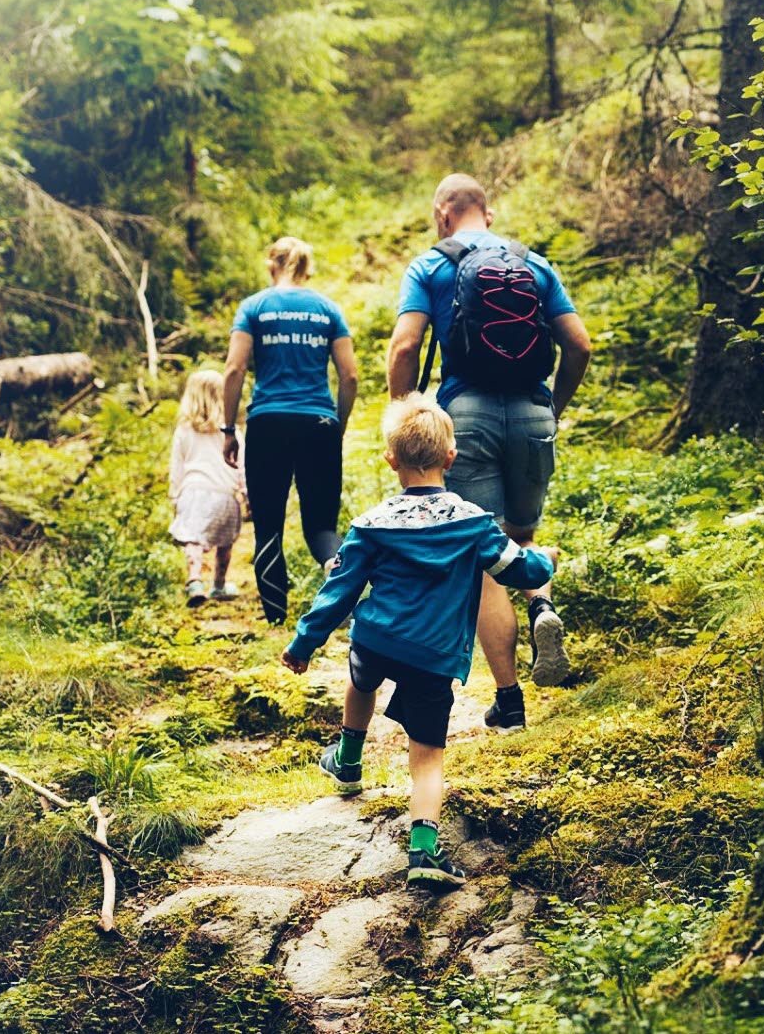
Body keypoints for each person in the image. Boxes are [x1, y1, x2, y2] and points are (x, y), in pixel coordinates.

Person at [280, 392, 557, 889]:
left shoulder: (372, 523)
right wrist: (547, 563)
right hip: (432, 654)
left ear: (391, 460)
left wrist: (304, 643)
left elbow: (338, 591)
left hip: (378, 638)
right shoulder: (473, 522)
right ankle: (424, 852)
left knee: (360, 678)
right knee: (427, 757)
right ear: (452, 458)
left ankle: (347, 759)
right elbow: (519, 569)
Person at [386, 174, 591, 733]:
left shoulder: (431, 265)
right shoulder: (535, 264)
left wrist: (403, 417)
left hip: (466, 418)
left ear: (441, 213)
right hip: (532, 414)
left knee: (487, 560)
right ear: (488, 213)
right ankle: (544, 607)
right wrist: (553, 407)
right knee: (522, 537)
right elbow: (579, 344)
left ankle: (510, 702)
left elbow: (405, 345)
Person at [222, 237, 360, 624]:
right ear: (306, 268)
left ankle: (275, 618)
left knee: (268, 525)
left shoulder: (254, 307)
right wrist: (337, 425)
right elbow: (349, 376)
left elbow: (233, 370)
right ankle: (340, 589)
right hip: (318, 422)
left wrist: (228, 428)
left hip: (267, 423)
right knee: (321, 527)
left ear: (272, 266)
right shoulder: (327, 309)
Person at [170, 369, 245, 607]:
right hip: (225, 495)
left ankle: (194, 580)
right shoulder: (233, 433)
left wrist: (175, 496)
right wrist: (246, 493)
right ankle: (219, 584)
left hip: (192, 492)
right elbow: (243, 466)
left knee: (194, 540)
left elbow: (176, 467)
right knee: (225, 543)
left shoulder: (184, 430)